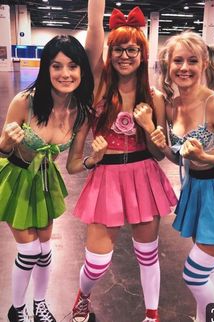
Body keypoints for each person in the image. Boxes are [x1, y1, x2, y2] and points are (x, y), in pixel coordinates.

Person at [66, 1, 177, 322]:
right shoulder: (99, 87)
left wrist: (150, 128)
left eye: (132, 50)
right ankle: (82, 298)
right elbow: (93, 39)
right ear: (109, 54)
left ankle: (152, 314)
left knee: (148, 255)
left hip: (145, 176)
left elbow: (160, 153)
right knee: (97, 262)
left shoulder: (154, 97)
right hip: (107, 178)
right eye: (118, 49)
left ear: (143, 55)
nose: (125, 56)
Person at [135, 30, 214, 322]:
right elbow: (173, 156)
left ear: (204, 63)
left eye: (192, 61)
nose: (184, 67)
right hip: (196, 191)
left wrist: (206, 157)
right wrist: (149, 129)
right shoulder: (172, 107)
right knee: (210, 268)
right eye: (178, 61)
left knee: (194, 274)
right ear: (168, 66)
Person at [0, 35, 94, 322]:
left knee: (44, 250)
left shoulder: (81, 114)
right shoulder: (25, 102)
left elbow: (75, 164)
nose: (65, 73)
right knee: (28, 251)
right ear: (46, 69)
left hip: (44, 181)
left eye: (72, 66)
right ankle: (18, 310)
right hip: (15, 177)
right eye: (56, 66)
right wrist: (5, 140)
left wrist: (94, 160)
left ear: (82, 71)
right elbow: (3, 148)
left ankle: (39, 304)